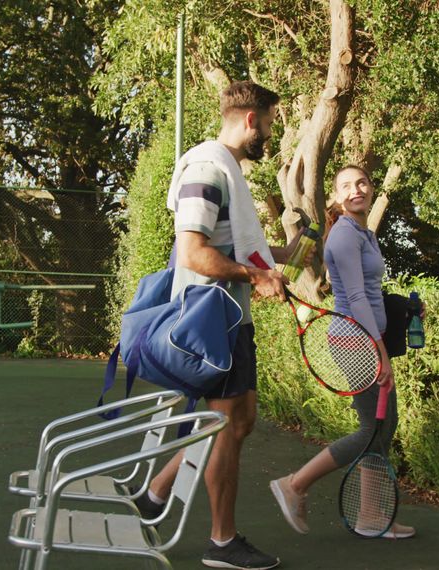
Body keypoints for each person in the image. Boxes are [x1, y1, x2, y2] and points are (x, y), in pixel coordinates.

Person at [133, 81, 298, 570]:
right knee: (226, 425)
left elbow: (232, 246)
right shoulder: (207, 167)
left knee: (237, 421)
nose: (269, 135)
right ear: (250, 120)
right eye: (268, 124)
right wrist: (255, 275)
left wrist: (283, 258)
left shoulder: (228, 171)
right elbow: (193, 252)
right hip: (213, 324)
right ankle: (222, 542)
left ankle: (155, 494)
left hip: (229, 319)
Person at [268, 164, 416, 539]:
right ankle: (295, 484)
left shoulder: (363, 232)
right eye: (346, 186)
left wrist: (401, 306)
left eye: (362, 182)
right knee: (372, 428)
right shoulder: (345, 236)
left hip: (366, 338)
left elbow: (369, 290)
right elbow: (352, 297)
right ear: (336, 196)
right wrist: (379, 352)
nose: (356, 190)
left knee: (382, 428)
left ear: (371, 187)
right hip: (356, 342)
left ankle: (370, 515)